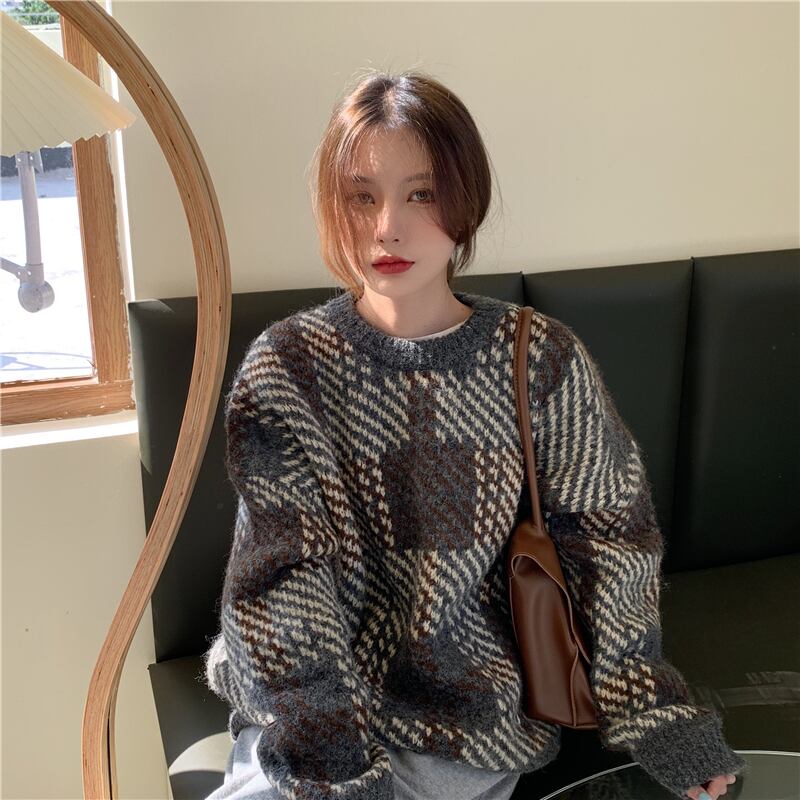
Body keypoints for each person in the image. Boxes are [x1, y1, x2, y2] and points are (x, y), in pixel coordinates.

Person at [202, 70, 746, 800]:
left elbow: (609, 542)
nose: (387, 227)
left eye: (421, 194)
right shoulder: (288, 367)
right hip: (308, 712)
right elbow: (279, 585)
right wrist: (332, 766)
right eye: (361, 197)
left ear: (466, 201)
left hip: (464, 722)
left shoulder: (539, 358)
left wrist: (654, 713)